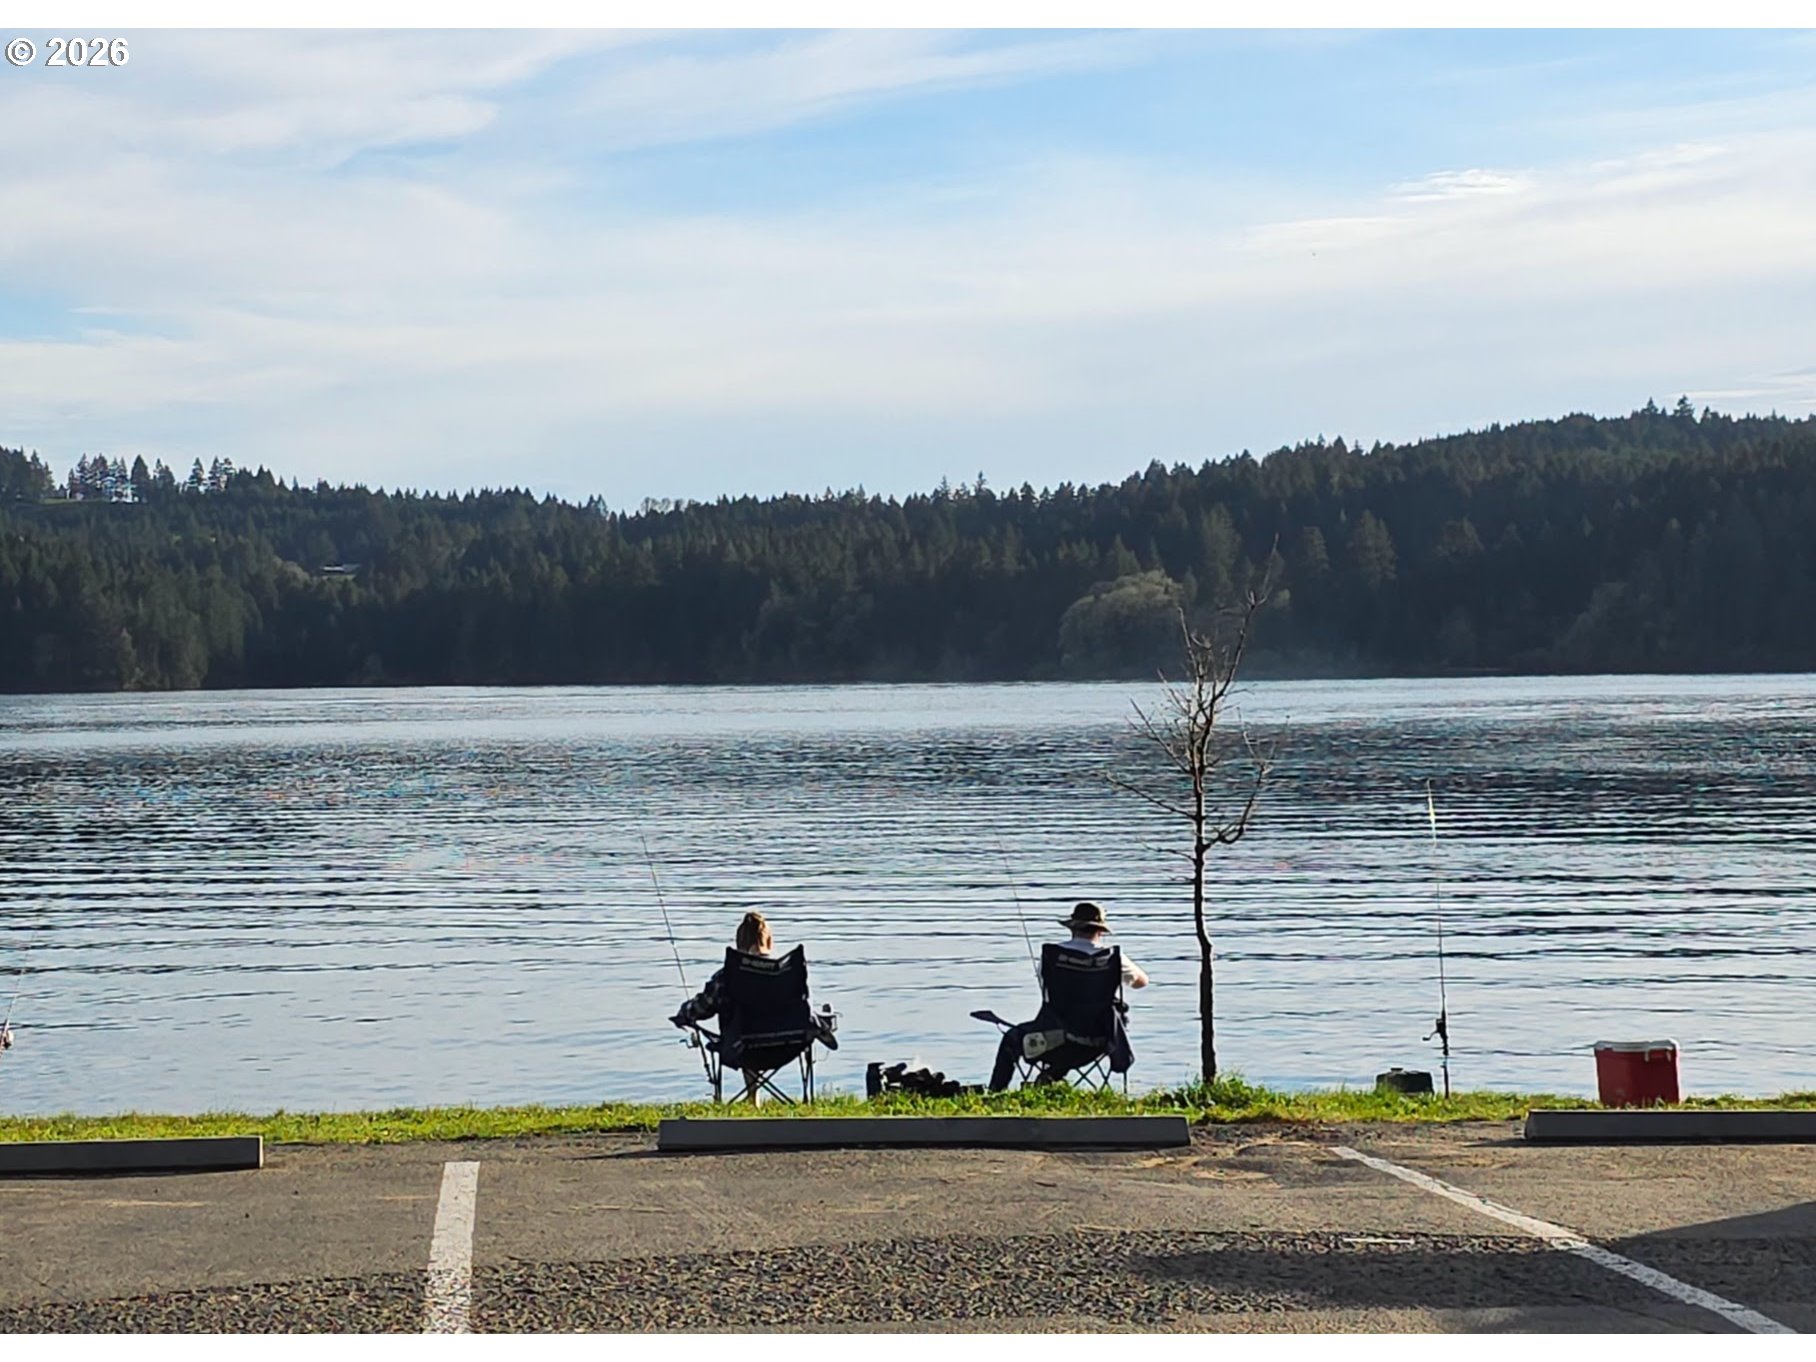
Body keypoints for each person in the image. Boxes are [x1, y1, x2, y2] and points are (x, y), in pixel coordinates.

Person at [988, 901, 1145, 1091]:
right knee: (1074, 1035)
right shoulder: (1112, 958)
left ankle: (996, 1091)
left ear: (1072, 928)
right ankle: (1050, 1078)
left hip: (1055, 1041)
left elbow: (1045, 984)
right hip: (1100, 1041)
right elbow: (1141, 982)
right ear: (1100, 931)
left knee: (1012, 1038)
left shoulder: (1053, 956)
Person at [670, 911, 836, 1046]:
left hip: (740, 1047)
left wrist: (684, 1013)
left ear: (738, 943)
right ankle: (819, 1025)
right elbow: (801, 1004)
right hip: (789, 1044)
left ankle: (751, 1081)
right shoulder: (788, 973)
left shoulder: (728, 976)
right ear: (769, 942)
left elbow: (702, 1008)